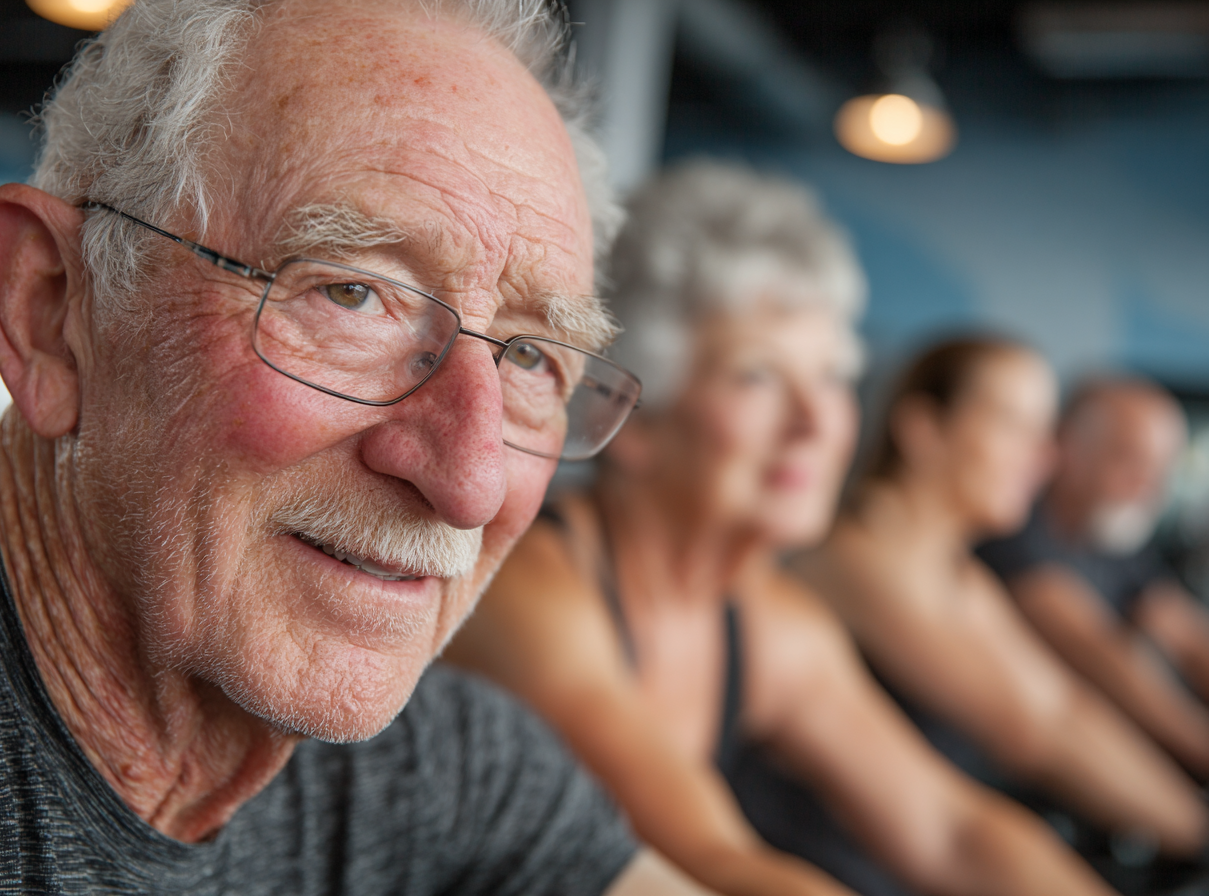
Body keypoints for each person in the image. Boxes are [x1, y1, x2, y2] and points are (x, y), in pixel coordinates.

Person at [0, 2, 719, 893]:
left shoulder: (445, 769)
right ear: (48, 308)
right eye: (352, 294)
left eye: (533, 356)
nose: (470, 481)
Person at [445, 162, 1116, 896]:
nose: (817, 422)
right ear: (633, 418)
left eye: (831, 376)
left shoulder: (771, 621)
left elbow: (954, 831)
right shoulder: (532, 592)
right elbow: (709, 862)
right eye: (757, 376)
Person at [796, 339, 1209, 863]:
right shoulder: (859, 559)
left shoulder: (963, 574)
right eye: (1015, 426)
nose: (1047, 456)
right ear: (922, 429)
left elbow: (1064, 707)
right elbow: (1036, 732)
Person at [980, 376, 1209, 780]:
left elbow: (1186, 634)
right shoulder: (1013, 530)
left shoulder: (1115, 534)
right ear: (1066, 447)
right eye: (1129, 459)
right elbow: (1096, 651)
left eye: (1161, 467)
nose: (1148, 485)